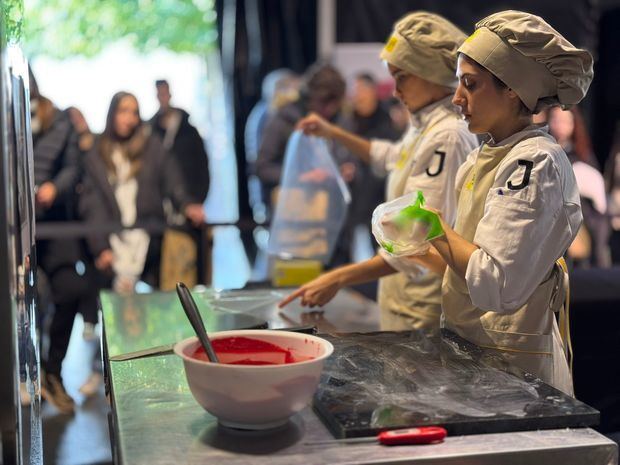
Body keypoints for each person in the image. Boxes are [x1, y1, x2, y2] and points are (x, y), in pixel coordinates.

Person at [403, 11, 592, 394]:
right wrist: (420, 244)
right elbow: (469, 261)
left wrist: (435, 225)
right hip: (472, 352)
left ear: (512, 90)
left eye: (470, 85)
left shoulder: (535, 163)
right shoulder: (482, 157)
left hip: (513, 366)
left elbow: (495, 286)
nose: (457, 98)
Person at [280, 12, 478, 331]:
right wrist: (333, 133)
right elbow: (389, 156)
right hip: (403, 298)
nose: (395, 90)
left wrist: (339, 277)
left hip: (421, 304)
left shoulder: (448, 136)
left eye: (402, 77)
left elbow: (419, 234)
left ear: (428, 74)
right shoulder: (425, 127)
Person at [79, 91, 204, 293]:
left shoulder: (151, 146)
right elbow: (92, 203)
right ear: (112, 114)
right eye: (123, 111)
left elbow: (172, 178)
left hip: (148, 237)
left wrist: (187, 204)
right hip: (112, 238)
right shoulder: (97, 153)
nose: (129, 118)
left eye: (134, 112)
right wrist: (100, 246)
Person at [30, 72, 97, 414]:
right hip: (17, 228)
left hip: (54, 224)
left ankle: (52, 371)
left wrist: (54, 188)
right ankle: (33, 374)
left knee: (70, 289)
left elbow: (73, 169)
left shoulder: (61, 124)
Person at [149, 80, 209, 286]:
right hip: (160, 212)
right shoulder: (151, 131)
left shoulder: (189, 132)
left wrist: (195, 201)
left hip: (188, 206)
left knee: (190, 270)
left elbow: (202, 168)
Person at [547, 106, 611, 268]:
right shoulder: (543, 151)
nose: (560, 126)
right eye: (556, 120)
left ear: (574, 124)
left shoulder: (582, 154)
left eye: (565, 121)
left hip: (580, 217)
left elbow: (598, 196)